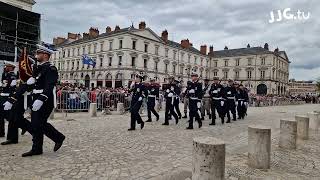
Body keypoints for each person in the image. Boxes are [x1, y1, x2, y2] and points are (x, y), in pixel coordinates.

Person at [21, 45, 66, 157]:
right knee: (36, 124)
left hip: (45, 99)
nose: (37, 55)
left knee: (38, 123)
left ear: (45, 55)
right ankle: (37, 148)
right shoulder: (39, 67)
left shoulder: (51, 68)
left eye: (39, 53)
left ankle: (58, 137)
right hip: (36, 98)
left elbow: (49, 85)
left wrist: (41, 98)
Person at [0, 61, 17, 137]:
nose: (5, 67)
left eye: (7, 66)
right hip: (3, 96)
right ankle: (1, 132)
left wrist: (10, 99)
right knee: (1, 116)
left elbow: (13, 89)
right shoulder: (5, 75)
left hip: (7, 97)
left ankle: (24, 127)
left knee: (10, 117)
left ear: (11, 67)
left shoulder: (13, 76)